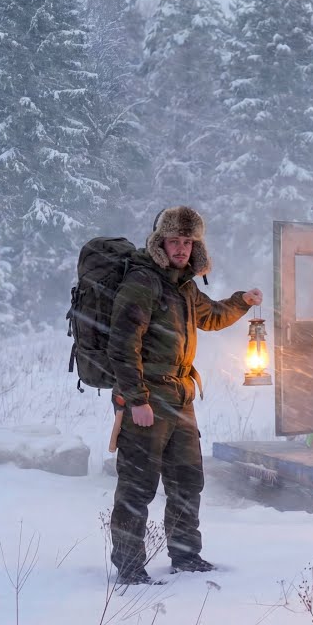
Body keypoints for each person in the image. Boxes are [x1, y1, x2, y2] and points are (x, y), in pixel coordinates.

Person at [107, 206, 261, 585]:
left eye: (188, 242)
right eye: (175, 241)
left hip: (181, 397)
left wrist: (243, 301)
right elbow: (123, 344)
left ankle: (187, 556)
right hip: (148, 397)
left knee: (187, 481)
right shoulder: (144, 282)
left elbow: (210, 316)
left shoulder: (186, 287)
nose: (181, 249)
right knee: (138, 486)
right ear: (161, 242)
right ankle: (129, 567)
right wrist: (137, 399)